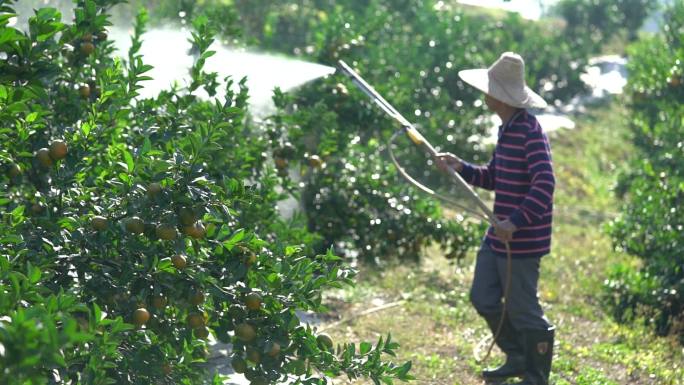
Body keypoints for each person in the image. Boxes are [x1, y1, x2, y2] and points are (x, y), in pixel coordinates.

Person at [435, 52, 555, 385]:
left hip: (521, 239)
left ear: (499, 95)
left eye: (489, 89)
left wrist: (515, 221)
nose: (484, 94)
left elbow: (545, 184)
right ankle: (517, 357)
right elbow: (495, 177)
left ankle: (535, 375)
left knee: (522, 308)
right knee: (483, 296)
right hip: (498, 235)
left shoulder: (530, 131)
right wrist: (462, 167)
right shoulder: (507, 129)